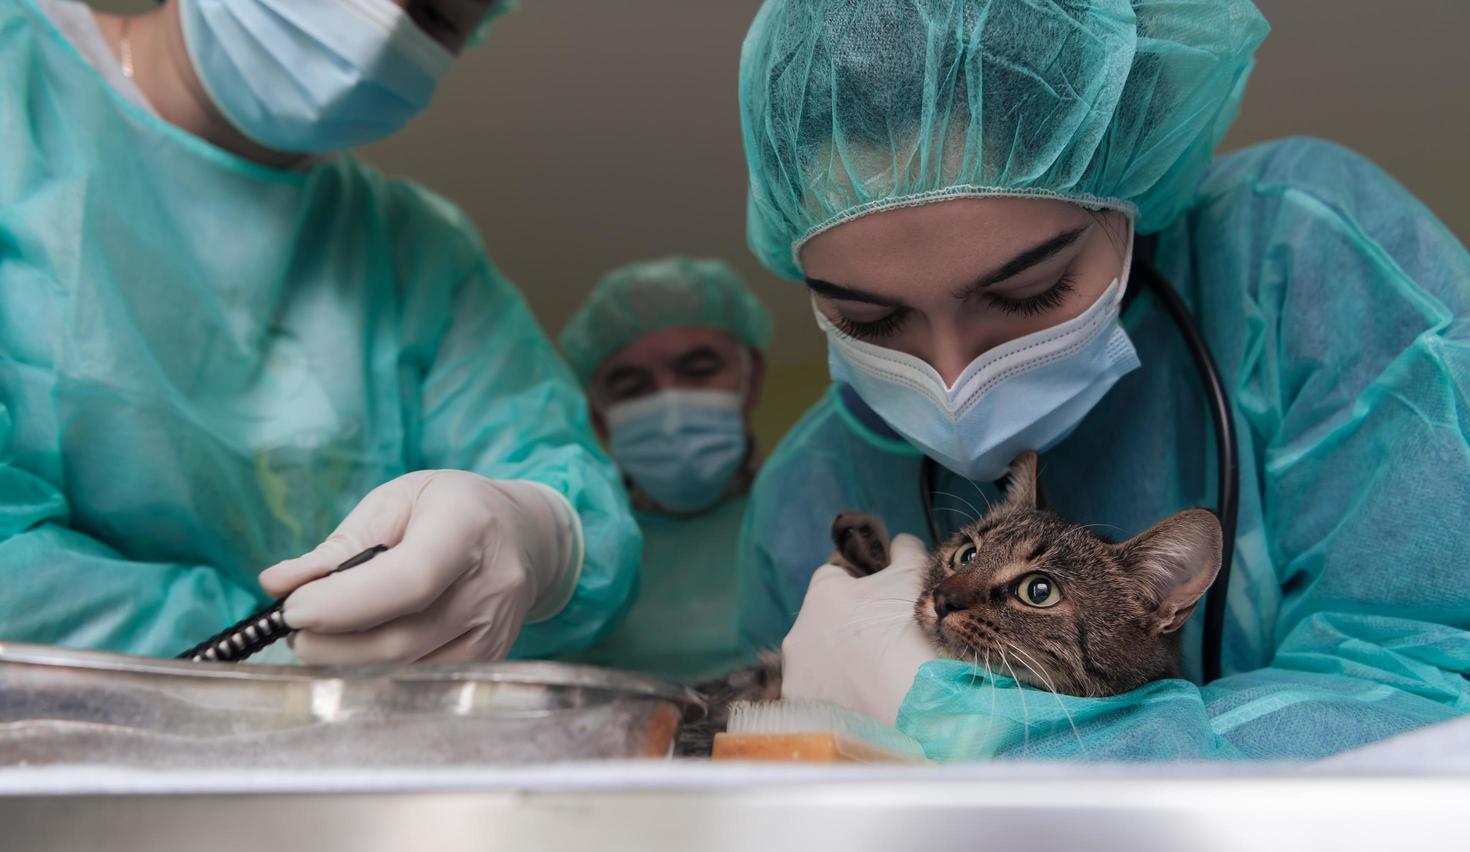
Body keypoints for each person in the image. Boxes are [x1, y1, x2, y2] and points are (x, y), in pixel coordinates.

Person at [735, 0, 1470, 760]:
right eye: (870, 320)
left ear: (1130, 194)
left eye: (1031, 291)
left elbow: (1435, 685)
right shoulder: (808, 490)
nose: (954, 381)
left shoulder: (1297, 265)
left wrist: (1001, 742)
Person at [0, 0, 639, 664]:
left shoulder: (419, 257)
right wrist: (288, 661)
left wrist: (539, 535)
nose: (382, 23)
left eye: (434, 12)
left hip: (349, 756)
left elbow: (584, 524)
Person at [559, 257, 771, 683]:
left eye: (698, 369)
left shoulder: (816, 506)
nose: (670, 403)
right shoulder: (570, 547)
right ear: (599, 417)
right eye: (631, 386)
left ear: (751, 379)